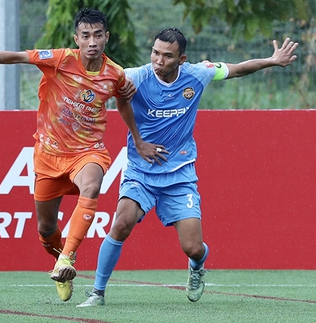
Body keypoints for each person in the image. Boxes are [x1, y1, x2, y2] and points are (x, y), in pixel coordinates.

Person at [77, 27, 299, 307]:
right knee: (121, 224)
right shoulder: (135, 76)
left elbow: (238, 69)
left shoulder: (198, 73)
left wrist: (271, 60)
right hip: (141, 171)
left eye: (167, 56)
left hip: (180, 175)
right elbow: (100, 85)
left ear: (182, 59)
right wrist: (137, 140)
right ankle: (97, 292)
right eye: (155, 53)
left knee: (193, 248)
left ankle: (196, 267)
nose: (158, 60)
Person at [0, 8, 137, 302]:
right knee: (46, 229)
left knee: (92, 185)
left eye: (98, 35)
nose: (92, 41)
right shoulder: (61, 59)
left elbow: (125, 98)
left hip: (88, 152)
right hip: (48, 156)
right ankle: (58, 260)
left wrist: (138, 137)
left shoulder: (115, 74)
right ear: (77, 38)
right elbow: (17, 57)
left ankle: (67, 259)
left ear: (106, 37)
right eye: (86, 35)